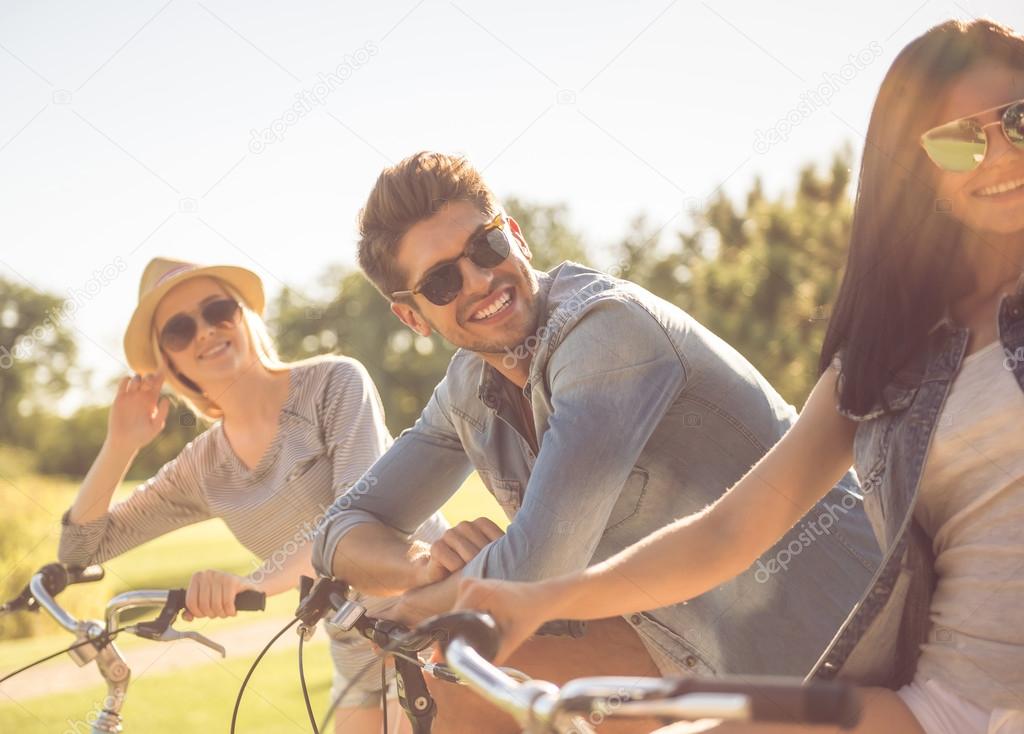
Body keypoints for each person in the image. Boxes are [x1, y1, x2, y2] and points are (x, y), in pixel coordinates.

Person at [455, 18, 1024, 734]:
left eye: (1017, 120)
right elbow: (727, 533)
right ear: (917, 169)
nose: (998, 153)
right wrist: (541, 600)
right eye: (957, 139)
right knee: (691, 725)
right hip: (942, 712)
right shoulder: (889, 359)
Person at [310, 152, 881, 733]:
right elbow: (339, 529)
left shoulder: (608, 334)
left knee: (462, 667)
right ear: (412, 317)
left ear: (516, 236)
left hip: (854, 650)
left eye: (485, 247)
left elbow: (534, 569)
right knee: (451, 686)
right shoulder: (467, 390)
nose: (481, 280)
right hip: (717, 669)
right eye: (440, 280)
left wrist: (416, 608)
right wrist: (419, 564)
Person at [57, 256, 474, 734]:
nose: (205, 332)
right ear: (168, 360)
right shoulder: (201, 466)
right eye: (178, 329)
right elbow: (78, 551)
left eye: (217, 310)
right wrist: (120, 445)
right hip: (358, 650)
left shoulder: (333, 383)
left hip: (440, 612)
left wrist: (253, 584)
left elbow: (352, 526)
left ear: (245, 316)